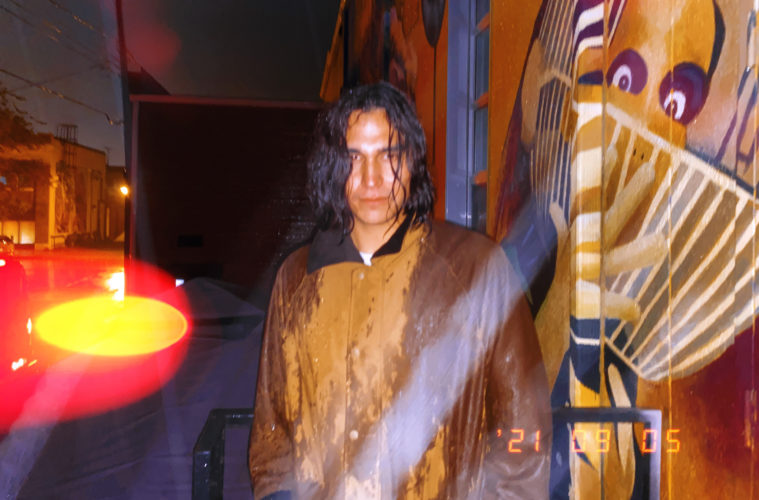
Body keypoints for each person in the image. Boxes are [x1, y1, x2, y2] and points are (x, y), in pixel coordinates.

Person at [248, 82, 550, 499]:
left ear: (413, 162)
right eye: (353, 158)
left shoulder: (476, 269)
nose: (371, 178)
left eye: (389, 155)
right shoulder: (296, 279)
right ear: (333, 168)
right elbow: (271, 437)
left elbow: (525, 430)